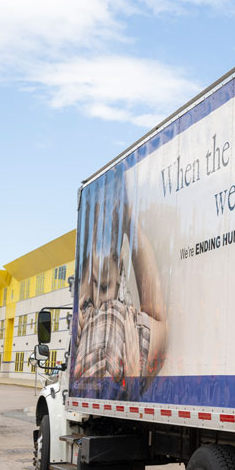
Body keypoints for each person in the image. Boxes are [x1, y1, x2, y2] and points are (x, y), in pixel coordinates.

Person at [71, 163, 168, 399]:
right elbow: (160, 320)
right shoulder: (122, 324)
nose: (97, 299)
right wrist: (130, 223)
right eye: (95, 284)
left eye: (103, 286)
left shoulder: (111, 319)